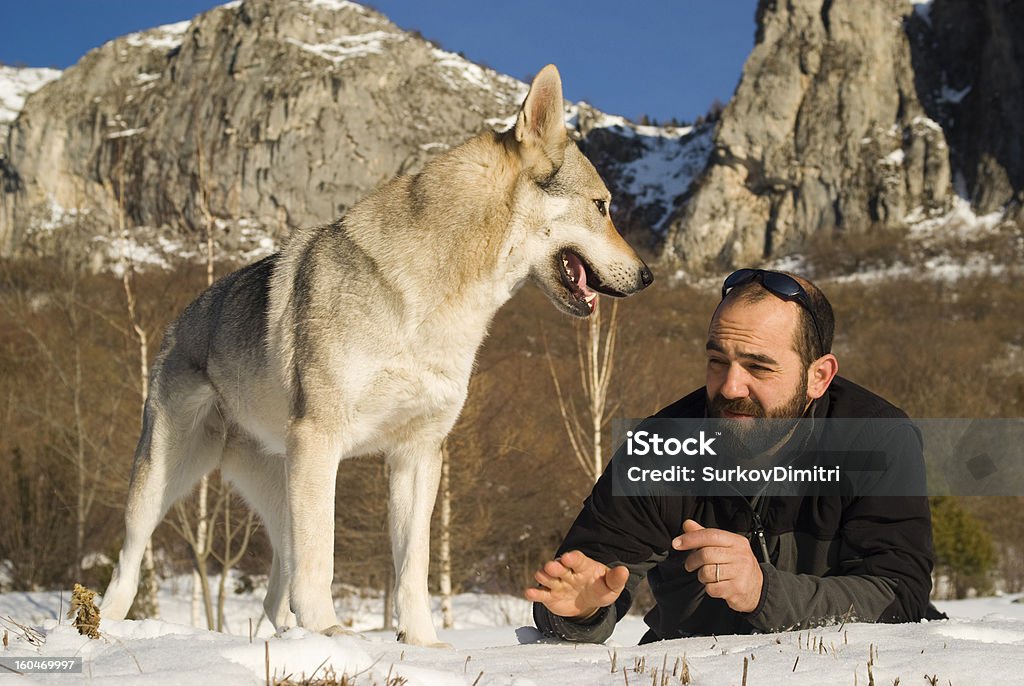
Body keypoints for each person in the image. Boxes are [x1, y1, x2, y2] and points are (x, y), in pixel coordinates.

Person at [527, 269, 936, 643]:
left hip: (841, 666)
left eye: (758, 368)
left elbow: (900, 595)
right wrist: (579, 611)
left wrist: (764, 592)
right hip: (695, 666)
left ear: (818, 377)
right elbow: (576, 584)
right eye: (717, 361)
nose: (730, 387)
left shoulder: (877, 438)